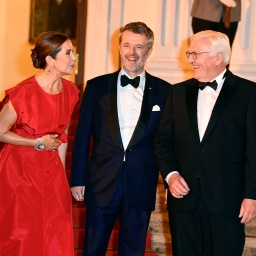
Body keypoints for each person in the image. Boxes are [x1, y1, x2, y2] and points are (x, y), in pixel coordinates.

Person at [70, 21, 176, 256]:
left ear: (149, 51)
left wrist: (171, 178)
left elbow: (167, 142)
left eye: (139, 46)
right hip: (100, 182)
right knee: (92, 249)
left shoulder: (165, 91)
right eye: (127, 45)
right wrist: (78, 179)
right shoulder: (96, 87)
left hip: (141, 185)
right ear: (118, 48)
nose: (132, 52)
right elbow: (82, 136)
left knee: (133, 251)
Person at [165, 30, 256, 255]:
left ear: (218, 57)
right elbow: (162, 142)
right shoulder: (176, 92)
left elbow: (254, 150)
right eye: (190, 53)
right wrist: (170, 175)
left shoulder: (249, 93)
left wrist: (252, 195)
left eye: (196, 53)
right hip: (184, 201)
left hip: (228, 201)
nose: (190, 59)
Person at [0, 31, 79, 256]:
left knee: (55, 231)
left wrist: (61, 174)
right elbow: (0, 131)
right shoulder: (24, 92)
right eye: (68, 53)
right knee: (22, 232)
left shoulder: (71, 92)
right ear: (50, 60)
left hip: (51, 171)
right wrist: (37, 142)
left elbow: (62, 138)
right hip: (19, 171)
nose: (74, 58)